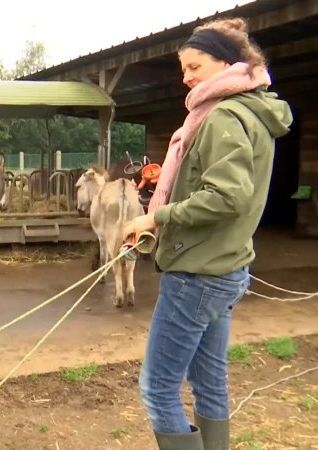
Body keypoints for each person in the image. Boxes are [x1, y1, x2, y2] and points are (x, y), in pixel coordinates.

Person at [121, 18, 293, 450]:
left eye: (195, 66)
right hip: (226, 267)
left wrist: (154, 219)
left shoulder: (223, 118)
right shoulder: (251, 112)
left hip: (198, 272)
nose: (186, 77)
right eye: (184, 68)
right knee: (209, 382)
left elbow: (225, 198)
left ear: (226, 63)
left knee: (158, 389)